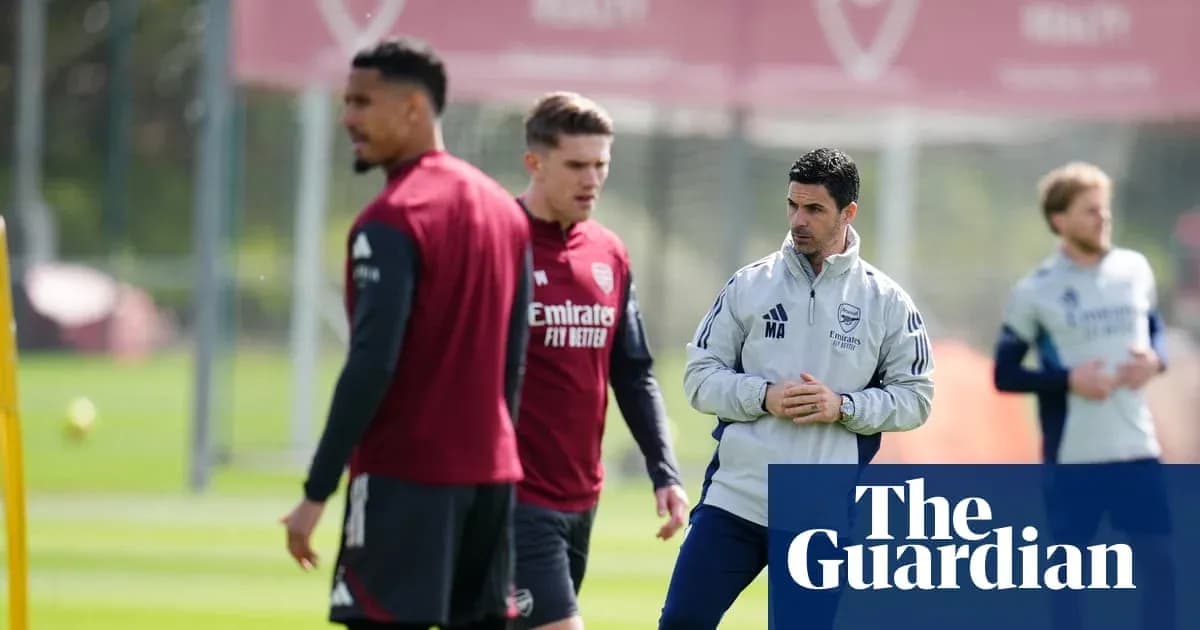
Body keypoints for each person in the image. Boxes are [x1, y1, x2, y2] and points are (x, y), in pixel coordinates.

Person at [280, 38, 533, 630]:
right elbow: (514, 362)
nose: (348, 118)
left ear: (414, 109)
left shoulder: (392, 219)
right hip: (491, 479)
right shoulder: (504, 211)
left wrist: (316, 492)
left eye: (362, 103)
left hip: (407, 479)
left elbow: (372, 363)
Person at [657, 147, 935, 630]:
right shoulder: (748, 285)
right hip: (736, 500)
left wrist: (843, 406)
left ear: (848, 213)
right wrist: (762, 396)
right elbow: (699, 377)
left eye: (814, 209)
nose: (798, 220)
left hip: (820, 513)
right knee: (681, 622)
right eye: (792, 205)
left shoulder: (886, 301)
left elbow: (916, 398)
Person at [510, 92, 689, 630]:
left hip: (581, 495)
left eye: (601, 165)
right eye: (576, 165)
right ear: (535, 163)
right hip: (511, 496)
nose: (592, 179)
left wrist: (664, 470)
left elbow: (632, 371)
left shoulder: (608, 252)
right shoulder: (497, 242)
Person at [993, 161, 1174, 630]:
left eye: (1105, 209)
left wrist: (1155, 361)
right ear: (1060, 220)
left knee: (1160, 567)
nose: (1103, 218)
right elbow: (1005, 374)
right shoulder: (1036, 291)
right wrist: (1067, 380)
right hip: (1073, 460)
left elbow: (1155, 333)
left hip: (1137, 450)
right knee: (1071, 581)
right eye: (1090, 210)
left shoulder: (1134, 269)